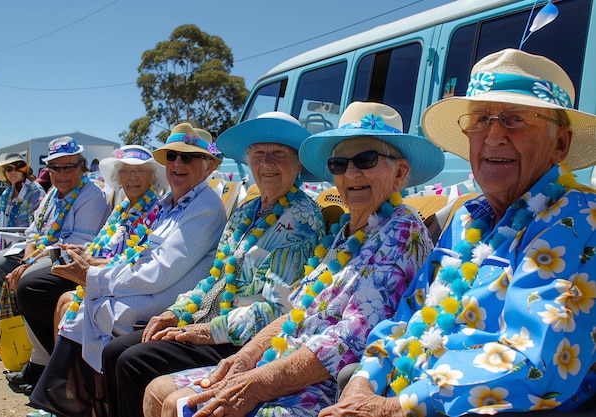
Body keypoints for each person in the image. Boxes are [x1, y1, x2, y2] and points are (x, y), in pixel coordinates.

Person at [321, 49, 596, 417]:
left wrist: (391, 407)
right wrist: (364, 378)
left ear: (560, 144)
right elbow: (409, 314)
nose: (494, 135)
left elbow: (534, 365)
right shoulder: (468, 217)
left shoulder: (576, 220)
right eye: (481, 120)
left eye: (515, 119)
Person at [143, 101, 445, 417]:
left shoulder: (401, 229)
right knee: (159, 391)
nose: (351, 173)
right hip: (283, 359)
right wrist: (244, 359)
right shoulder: (347, 230)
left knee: (182, 405)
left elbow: (351, 340)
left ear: (400, 173)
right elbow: (297, 310)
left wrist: (257, 381)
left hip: (326, 384)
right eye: (339, 163)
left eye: (366, 159)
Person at [101, 112, 326, 417]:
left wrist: (207, 330)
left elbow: (280, 309)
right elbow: (214, 278)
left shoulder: (302, 218)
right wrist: (176, 312)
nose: (267, 163)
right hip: (210, 319)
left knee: (133, 361)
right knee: (116, 350)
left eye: (279, 154)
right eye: (259, 153)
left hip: (243, 339)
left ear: (299, 163)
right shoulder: (247, 210)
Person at [27, 124, 228, 416]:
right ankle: (78, 402)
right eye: (172, 156)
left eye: (189, 158)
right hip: (151, 287)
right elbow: (140, 256)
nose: (178, 164)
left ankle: (77, 402)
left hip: (172, 298)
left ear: (209, 166)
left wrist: (95, 277)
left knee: (105, 310)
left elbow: (161, 272)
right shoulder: (169, 204)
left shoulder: (205, 206)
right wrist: (98, 267)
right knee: (86, 306)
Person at [0, 136, 112, 390]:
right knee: (1, 269)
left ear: (82, 167)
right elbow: (34, 232)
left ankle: (43, 364)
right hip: (47, 254)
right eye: (55, 168)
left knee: (29, 284)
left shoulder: (91, 196)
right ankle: (32, 356)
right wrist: (26, 257)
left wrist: (29, 263)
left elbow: (74, 244)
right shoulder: (53, 193)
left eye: (69, 167)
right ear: (48, 170)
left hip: (77, 258)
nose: (62, 173)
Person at [0, 153, 45, 343]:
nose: (12, 172)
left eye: (16, 167)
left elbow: (34, 228)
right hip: (8, 243)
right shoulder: (6, 193)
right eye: (7, 169)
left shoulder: (35, 192)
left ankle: (3, 325)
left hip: (25, 245)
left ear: (24, 168)